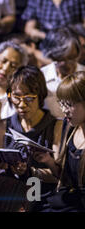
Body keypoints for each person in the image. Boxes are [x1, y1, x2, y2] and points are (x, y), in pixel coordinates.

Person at [0, 65, 63, 212]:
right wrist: (2, 167)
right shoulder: (3, 126)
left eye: (29, 98)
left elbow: (59, 175)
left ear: (41, 95)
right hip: (12, 197)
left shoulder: (56, 125)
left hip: (45, 197)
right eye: (16, 97)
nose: (22, 104)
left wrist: (31, 171)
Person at [33, 71, 85, 211]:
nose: (63, 110)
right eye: (61, 103)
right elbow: (65, 178)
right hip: (68, 200)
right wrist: (48, 161)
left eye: (68, 104)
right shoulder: (70, 129)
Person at [40, 27, 85, 119]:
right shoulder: (42, 76)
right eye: (61, 59)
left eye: (72, 58)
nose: (67, 64)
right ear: (52, 55)